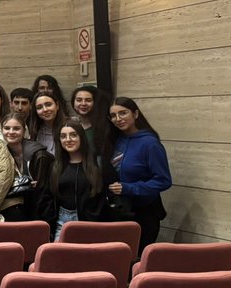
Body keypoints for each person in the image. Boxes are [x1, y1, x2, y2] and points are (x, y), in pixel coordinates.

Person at [107, 97, 171, 250]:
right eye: (114, 116)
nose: (118, 119)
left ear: (135, 114)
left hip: (144, 212)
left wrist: (129, 188)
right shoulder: (117, 140)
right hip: (120, 211)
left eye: (123, 113)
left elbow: (163, 180)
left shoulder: (150, 143)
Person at [50, 118, 107, 239]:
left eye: (73, 135)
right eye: (63, 136)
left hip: (91, 222)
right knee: (57, 256)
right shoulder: (56, 166)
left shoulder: (97, 163)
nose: (68, 140)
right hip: (62, 221)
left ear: (81, 137)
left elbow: (105, 195)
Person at [1, 113, 56, 229]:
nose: (11, 132)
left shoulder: (39, 156)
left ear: (24, 130)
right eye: (7, 128)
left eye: (16, 128)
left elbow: (44, 196)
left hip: (40, 215)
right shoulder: (2, 154)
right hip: (17, 213)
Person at [71, 85, 112, 159]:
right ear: (73, 103)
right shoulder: (69, 125)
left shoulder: (106, 126)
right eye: (79, 100)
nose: (83, 103)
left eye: (88, 100)